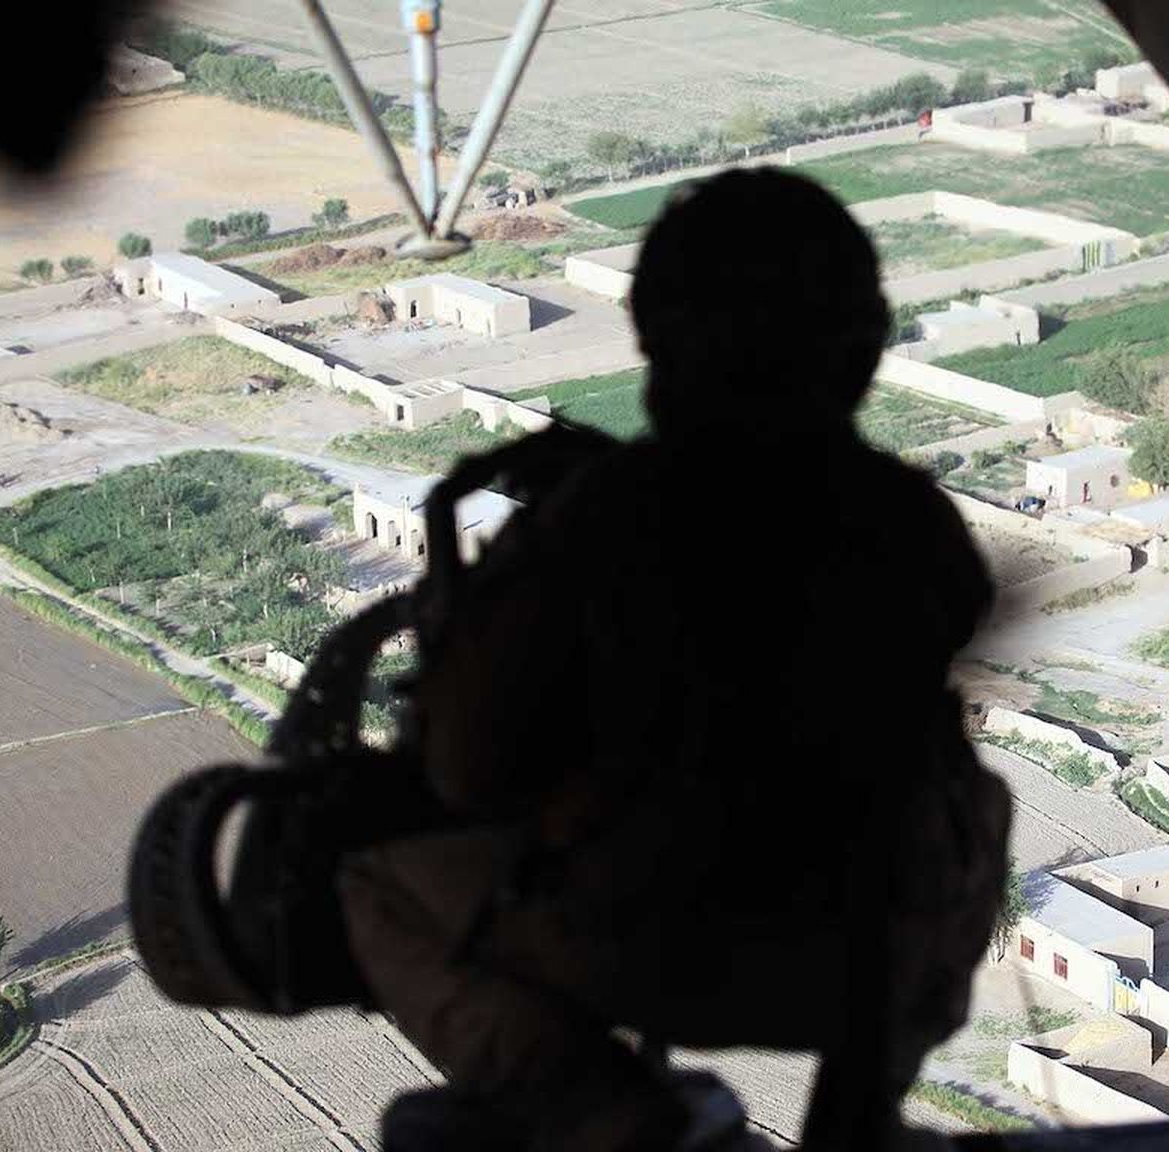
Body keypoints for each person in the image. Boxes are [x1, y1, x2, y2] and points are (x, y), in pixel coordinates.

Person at [340, 168, 1011, 1151]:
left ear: (660, 346)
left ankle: (591, 1097)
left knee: (375, 881)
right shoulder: (912, 520)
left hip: (647, 947)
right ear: (861, 348)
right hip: (864, 959)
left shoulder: (602, 521)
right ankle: (861, 1109)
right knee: (968, 801)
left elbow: (466, 768)